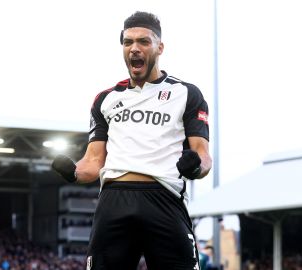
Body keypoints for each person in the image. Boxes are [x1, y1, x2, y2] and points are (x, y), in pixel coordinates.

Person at [52, 11, 212, 270]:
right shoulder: (105, 99)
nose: (134, 49)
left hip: (164, 199)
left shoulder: (186, 93)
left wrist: (194, 165)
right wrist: (73, 172)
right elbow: (93, 162)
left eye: (143, 42)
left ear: (160, 47)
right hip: (115, 200)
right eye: (128, 43)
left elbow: (203, 157)